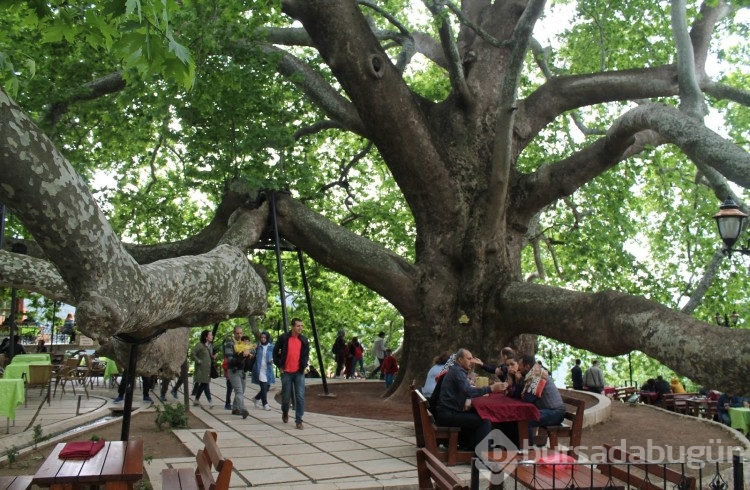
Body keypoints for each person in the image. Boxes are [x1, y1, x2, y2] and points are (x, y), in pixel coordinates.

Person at [435, 348, 506, 451]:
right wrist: (491, 388)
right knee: (484, 420)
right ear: (459, 360)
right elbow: (468, 391)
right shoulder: (457, 372)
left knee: (478, 413)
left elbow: (465, 391)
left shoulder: (456, 370)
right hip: (448, 415)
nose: (472, 362)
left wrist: (468, 398)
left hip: (447, 411)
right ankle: (481, 456)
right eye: (469, 359)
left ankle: (470, 447)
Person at [518, 354, 566, 444]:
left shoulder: (538, 376)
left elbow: (528, 398)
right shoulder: (533, 375)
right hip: (550, 410)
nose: (518, 368)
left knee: (525, 419)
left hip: (555, 412)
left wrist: (519, 380)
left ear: (527, 366)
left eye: (520, 365)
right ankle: (519, 445)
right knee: (521, 416)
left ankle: (528, 450)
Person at [273, 318, 310, 429]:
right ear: (292, 326)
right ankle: (285, 411)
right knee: (286, 396)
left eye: (301, 326)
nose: (300, 328)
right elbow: (275, 352)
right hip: (286, 372)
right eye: (298, 326)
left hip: (299, 372)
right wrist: (280, 366)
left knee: (300, 396)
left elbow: (306, 355)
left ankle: (299, 420)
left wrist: (304, 366)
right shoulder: (284, 338)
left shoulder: (304, 340)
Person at [223, 326, 251, 419]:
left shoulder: (244, 342)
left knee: (241, 391)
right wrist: (241, 356)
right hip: (233, 370)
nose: (239, 335)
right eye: (237, 333)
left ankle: (235, 408)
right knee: (238, 390)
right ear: (234, 333)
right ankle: (243, 409)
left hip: (242, 370)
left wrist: (249, 354)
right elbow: (230, 359)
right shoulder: (229, 343)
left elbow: (252, 350)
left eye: (241, 333)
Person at [252, 331, 275, 410]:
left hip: (268, 369)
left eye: (264, 337)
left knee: (267, 387)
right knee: (264, 387)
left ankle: (256, 398)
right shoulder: (258, 346)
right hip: (259, 369)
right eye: (261, 337)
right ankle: (265, 404)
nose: (263, 339)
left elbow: (276, 355)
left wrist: (273, 360)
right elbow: (252, 352)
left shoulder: (271, 347)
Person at [191, 329, 214, 408]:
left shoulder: (210, 346)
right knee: (205, 384)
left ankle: (196, 400)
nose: (212, 336)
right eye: (210, 335)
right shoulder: (199, 345)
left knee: (203, 384)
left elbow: (209, 355)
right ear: (206, 337)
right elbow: (192, 353)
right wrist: (198, 361)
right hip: (201, 369)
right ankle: (210, 401)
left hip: (207, 369)